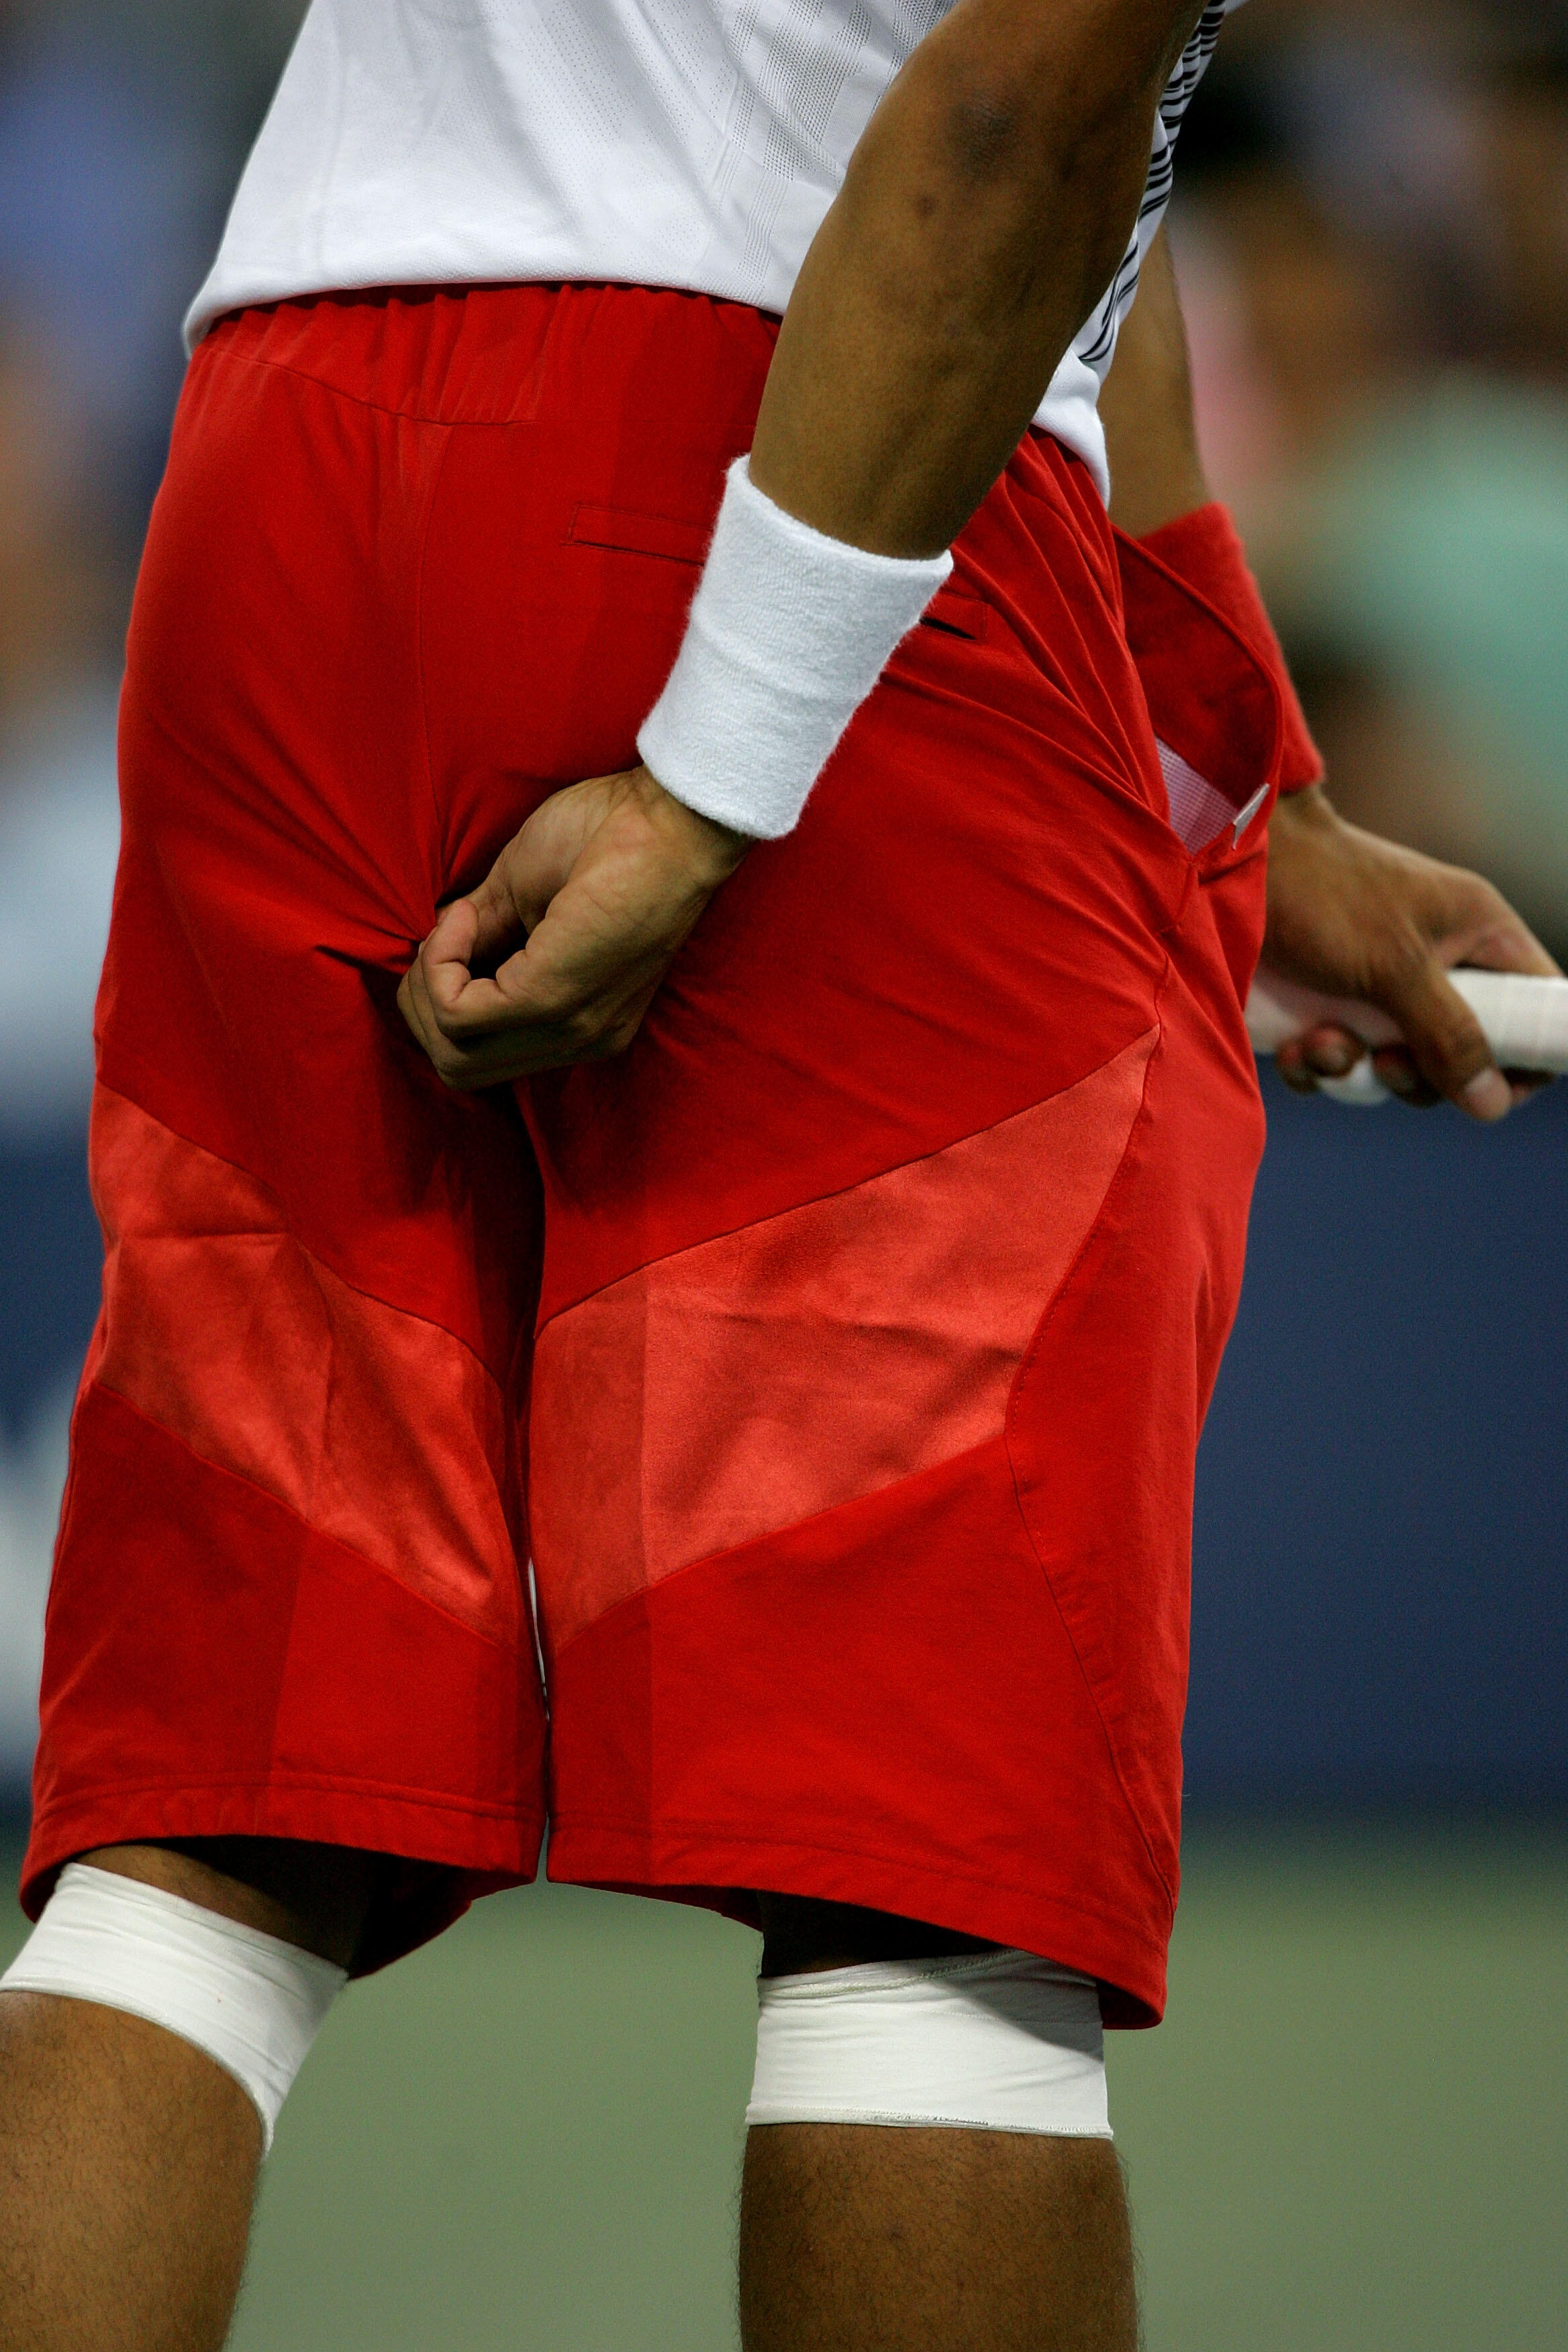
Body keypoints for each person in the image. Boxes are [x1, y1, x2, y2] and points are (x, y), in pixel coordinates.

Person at [0, 5, 1555, 2347]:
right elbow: (1015, 114)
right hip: (829, 479)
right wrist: (721, 776)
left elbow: (1070, 177)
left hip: (297, 456)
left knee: (196, 1849)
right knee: (932, 1904)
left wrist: (1232, 777)